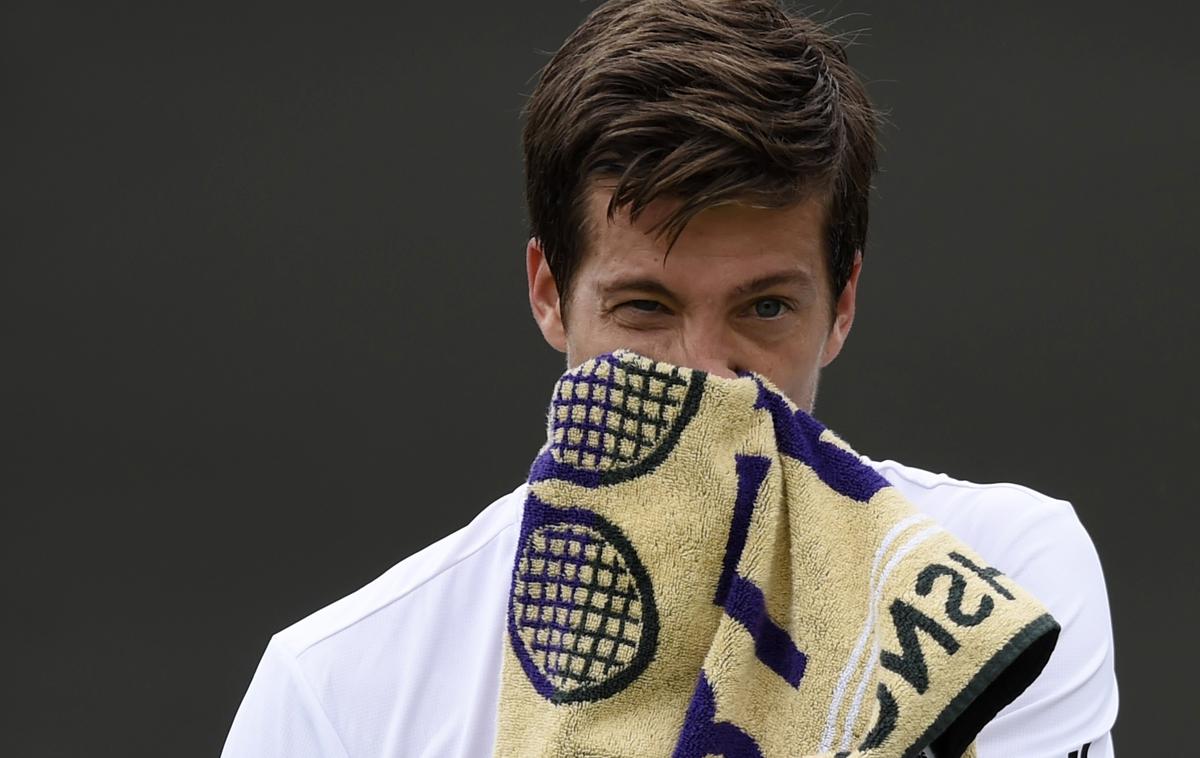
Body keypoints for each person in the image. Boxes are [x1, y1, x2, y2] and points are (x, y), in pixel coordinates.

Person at [221, 1, 1118, 755]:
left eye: (765, 308)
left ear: (842, 306)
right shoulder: (334, 692)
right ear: (549, 295)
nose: (705, 373)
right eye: (645, 308)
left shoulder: (1007, 584)